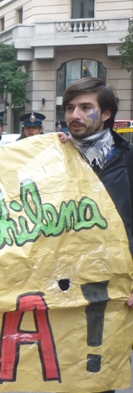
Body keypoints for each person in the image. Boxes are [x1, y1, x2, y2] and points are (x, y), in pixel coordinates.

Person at [59, 77, 133, 324]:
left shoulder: (128, 160)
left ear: (106, 114)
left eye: (85, 108)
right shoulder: (51, 159)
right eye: (70, 108)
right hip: (63, 287)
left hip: (118, 289)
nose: (75, 115)